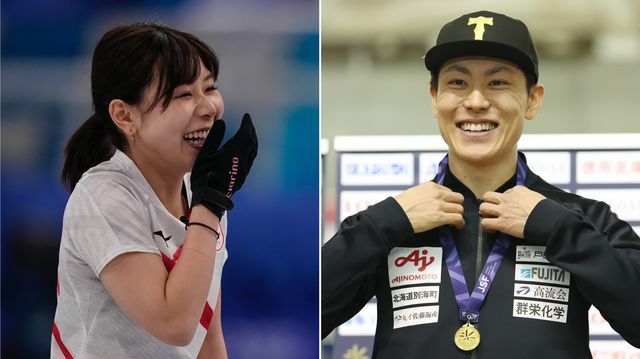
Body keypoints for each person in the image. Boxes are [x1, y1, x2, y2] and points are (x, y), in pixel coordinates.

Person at [322, 10, 640, 358]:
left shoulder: (580, 218)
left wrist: (559, 230)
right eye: (458, 83)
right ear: (434, 97)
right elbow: (304, 315)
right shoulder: (394, 223)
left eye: (497, 83)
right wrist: (384, 224)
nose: (475, 102)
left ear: (533, 99)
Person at [51, 22, 258, 358]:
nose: (209, 108)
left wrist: (210, 205)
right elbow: (174, 324)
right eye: (184, 95)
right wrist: (210, 208)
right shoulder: (103, 197)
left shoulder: (201, 193)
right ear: (124, 116)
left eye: (210, 88)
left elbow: (206, 336)